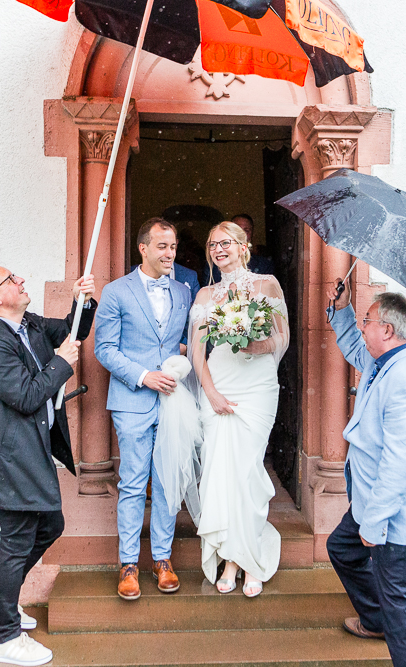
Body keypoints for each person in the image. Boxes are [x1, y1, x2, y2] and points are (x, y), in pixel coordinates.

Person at [0, 260, 96, 667]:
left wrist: (83, 302)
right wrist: (61, 363)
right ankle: (5, 638)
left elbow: (71, 331)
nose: (21, 280)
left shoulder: (29, 325)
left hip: (31, 451)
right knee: (18, 539)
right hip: (11, 457)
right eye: (11, 279)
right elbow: (25, 396)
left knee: (51, 524)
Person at [324, 282, 406, 667]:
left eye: (367, 320)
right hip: (370, 503)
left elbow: (399, 464)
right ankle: (374, 619)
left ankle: (387, 626)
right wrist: (341, 310)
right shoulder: (388, 360)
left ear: (388, 330)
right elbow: (357, 350)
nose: (363, 326)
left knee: (403, 617)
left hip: (397, 520)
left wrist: (373, 525)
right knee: (342, 548)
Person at [94, 217, 193, 600]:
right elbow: (105, 348)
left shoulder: (184, 292)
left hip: (172, 400)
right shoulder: (116, 292)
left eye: (173, 247)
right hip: (132, 400)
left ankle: (163, 559)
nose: (170, 254)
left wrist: (176, 361)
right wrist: (143, 375)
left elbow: (184, 342)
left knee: (168, 482)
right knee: (134, 483)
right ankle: (129, 564)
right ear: (144, 248)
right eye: (163, 247)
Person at [190, 221, 289, 597]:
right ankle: (232, 559)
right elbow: (199, 352)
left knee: (247, 471)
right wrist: (211, 393)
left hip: (257, 387)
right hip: (220, 383)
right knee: (220, 471)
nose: (219, 249)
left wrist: (255, 346)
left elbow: (282, 337)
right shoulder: (204, 295)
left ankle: (246, 560)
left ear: (243, 246)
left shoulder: (267, 285)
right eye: (212, 244)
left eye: (226, 242)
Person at [210, 213, 274, 281]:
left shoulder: (264, 265)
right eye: (237, 230)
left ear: (252, 234)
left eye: (246, 230)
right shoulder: (215, 264)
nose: (242, 234)